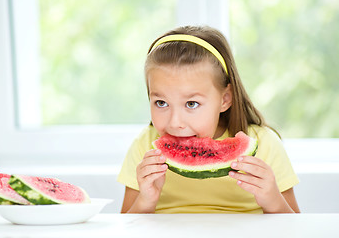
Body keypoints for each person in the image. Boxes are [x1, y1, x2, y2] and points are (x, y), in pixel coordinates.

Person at [117, 26, 300, 214]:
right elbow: (125, 226)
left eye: (191, 104)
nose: (175, 122)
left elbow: (295, 228)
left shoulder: (264, 144)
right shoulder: (145, 146)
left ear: (224, 99)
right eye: (161, 103)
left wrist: (273, 200)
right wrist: (145, 201)